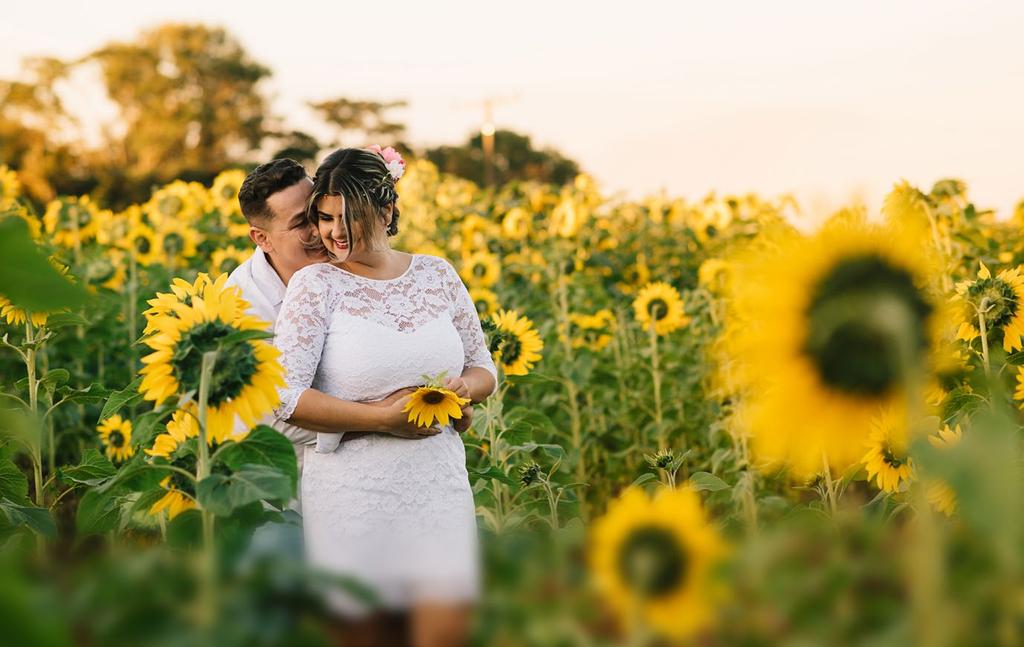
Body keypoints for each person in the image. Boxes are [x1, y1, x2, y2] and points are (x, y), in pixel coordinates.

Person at [272, 147, 497, 647]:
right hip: (354, 493)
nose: (335, 231)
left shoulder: (438, 275)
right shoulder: (315, 286)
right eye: (325, 217)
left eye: (349, 216)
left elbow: (484, 367)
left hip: (437, 485)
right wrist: (380, 418)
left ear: (388, 210)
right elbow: (284, 396)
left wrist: (465, 388)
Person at [225, 158, 472, 491]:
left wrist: (446, 402)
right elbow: (271, 424)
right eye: (302, 223)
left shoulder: (355, 272)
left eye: (320, 213)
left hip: (413, 477)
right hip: (281, 492)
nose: (323, 231)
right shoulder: (239, 310)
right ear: (262, 238)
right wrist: (383, 417)